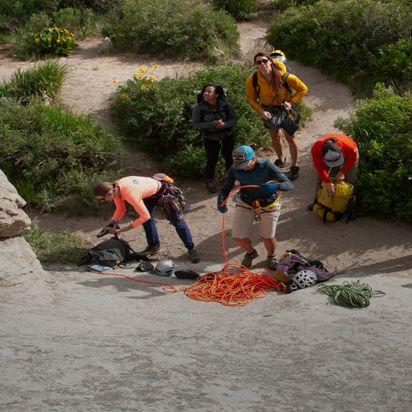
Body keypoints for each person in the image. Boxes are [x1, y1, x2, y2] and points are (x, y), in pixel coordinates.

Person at [217, 145, 293, 270]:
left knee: (267, 236)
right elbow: (226, 188)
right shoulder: (234, 169)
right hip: (246, 201)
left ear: (253, 159)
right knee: (238, 236)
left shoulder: (266, 166)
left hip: (269, 203)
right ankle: (251, 253)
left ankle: (271, 256)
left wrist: (275, 186)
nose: (243, 168)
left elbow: (289, 185)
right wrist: (221, 199)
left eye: (245, 164)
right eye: (239, 165)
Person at [93, 175, 200, 263]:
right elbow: (120, 209)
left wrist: (120, 230)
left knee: (177, 221)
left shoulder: (130, 194)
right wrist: (112, 223)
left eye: (102, 199)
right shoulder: (115, 188)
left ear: (109, 193)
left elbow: (145, 216)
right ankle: (153, 246)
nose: (103, 201)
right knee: (147, 221)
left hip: (163, 192)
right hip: (148, 194)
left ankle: (191, 249)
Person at [245, 52, 308, 180]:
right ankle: (281, 159)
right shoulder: (252, 79)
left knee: (291, 138)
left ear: (270, 61)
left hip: (285, 110)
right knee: (275, 136)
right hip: (268, 110)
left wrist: (291, 103)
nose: (262, 64)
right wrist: (261, 111)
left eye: (264, 61)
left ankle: (294, 166)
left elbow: (303, 88)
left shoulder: (284, 75)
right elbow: (250, 99)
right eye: (258, 62)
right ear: (256, 65)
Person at [192, 84, 238, 194]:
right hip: (210, 137)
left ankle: (230, 180)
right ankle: (209, 181)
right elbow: (196, 124)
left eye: (209, 91)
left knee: (229, 158)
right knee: (212, 160)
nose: (205, 93)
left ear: (217, 94)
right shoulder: (198, 107)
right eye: (204, 91)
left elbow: (234, 119)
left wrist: (224, 124)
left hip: (227, 136)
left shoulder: (226, 105)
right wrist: (212, 124)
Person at [309, 132, 359, 207]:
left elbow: (353, 158)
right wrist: (327, 182)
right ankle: (317, 201)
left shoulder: (349, 146)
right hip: (326, 156)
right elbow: (319, 167)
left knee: (351, 179)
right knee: (321, 179)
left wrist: (342, 171)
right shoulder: (315, 149)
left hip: (349, 155)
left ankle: (351, 205)